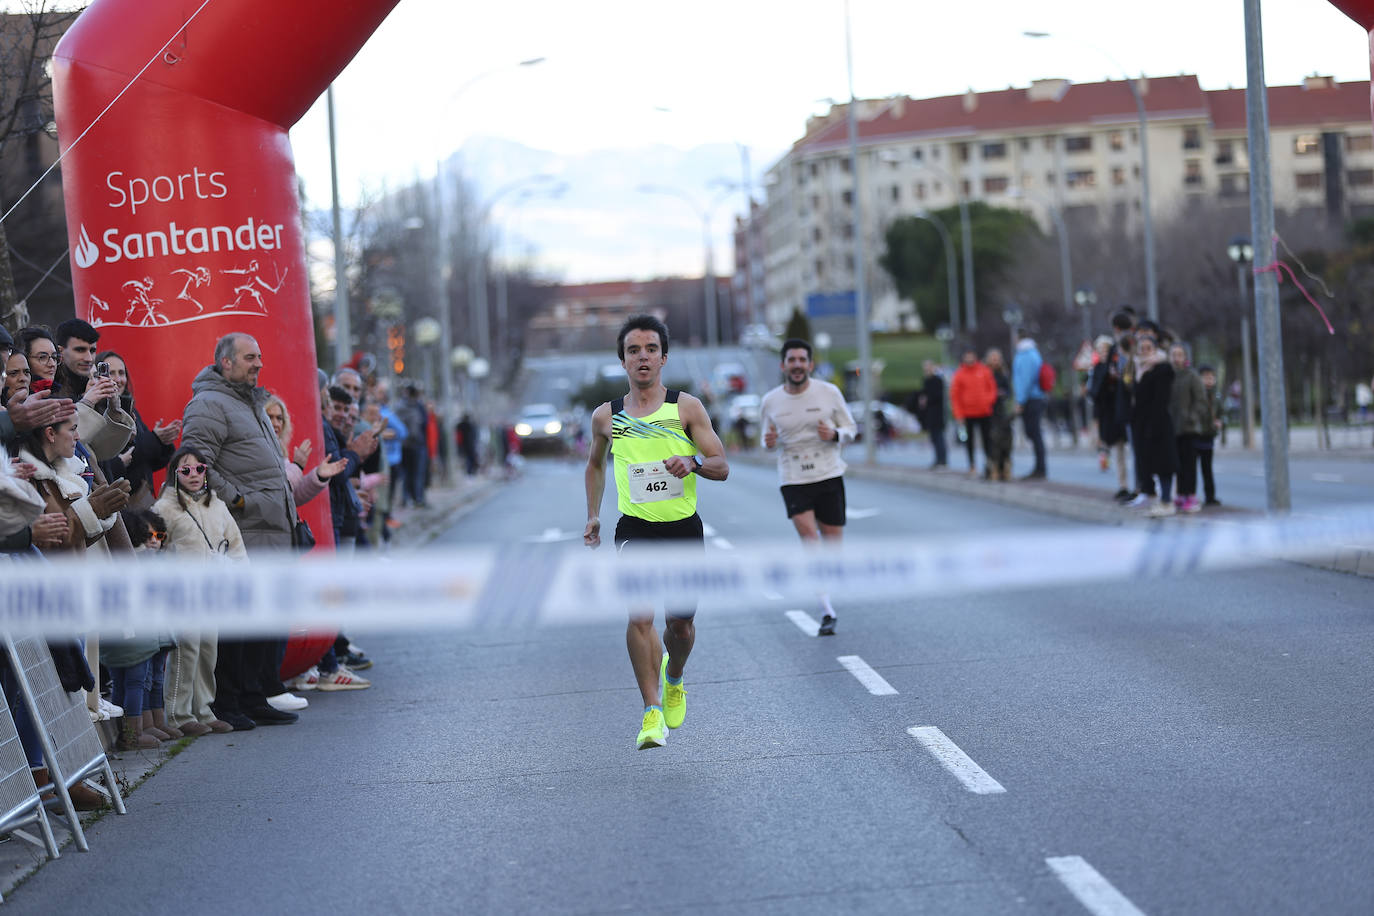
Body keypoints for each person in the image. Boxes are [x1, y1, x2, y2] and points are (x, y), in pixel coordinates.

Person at [583, 315, 728, 751]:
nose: (642, 357)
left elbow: (722, 464)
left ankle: (674, 676)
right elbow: (594, 464)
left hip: (683, 528)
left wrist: (695, 463)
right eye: (633, 350)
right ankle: (650, 713)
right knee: (639, 615)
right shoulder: (607, 416)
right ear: (623, 361)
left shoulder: (686, 409)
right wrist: (593, 514)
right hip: (634, 529)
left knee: (680, 626)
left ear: (663, 357)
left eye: (650, 349)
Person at [179, 333, 299, 730]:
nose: (258, 364)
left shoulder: (251, 403)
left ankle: (252, 696)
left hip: (270, 529)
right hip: (242, 530)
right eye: (250, 357)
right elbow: (194, 462)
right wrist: (239, 501)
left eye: (260, 356)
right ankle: (225, 702)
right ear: (226, 362)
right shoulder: (209, 403)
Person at [759, 338, 857, 636]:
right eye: (792, 360)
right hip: (794, 478)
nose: (798, 365)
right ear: (783, 365)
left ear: (810, 365)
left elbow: (852, 429)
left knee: (832, 547)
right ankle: (827, 609)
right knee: (810, 542)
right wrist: (769, 442)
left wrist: (835, 433)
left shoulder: (829, 393)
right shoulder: (770, 401)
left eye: (803, 360)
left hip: (828, 473)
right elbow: (765, 440)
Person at [155, 446, 245, 735]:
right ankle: (178, 714)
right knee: (186, 649)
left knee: (208, 649)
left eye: (199, 468)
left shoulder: (217, 505)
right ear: (175, 474)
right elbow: (153, 544)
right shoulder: (164, 508)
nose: (193, 474)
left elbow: (235, 544)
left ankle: (204, 709)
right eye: (185, 470)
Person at [94, 350, 180, 510]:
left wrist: (164, 442)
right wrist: (154, 439)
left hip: (142, 501)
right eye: (111, 373)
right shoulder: (95, 412)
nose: (119, 379)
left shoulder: (130, 408)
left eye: (122, 373)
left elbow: (147, 461)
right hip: (120, 506)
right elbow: (116, 458)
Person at [1130, 332, 1178, 517]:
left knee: (1164, 464)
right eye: (1141, 349)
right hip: (1142, 423)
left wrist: (1153, 425)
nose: (1145, 352)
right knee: (1148, 464)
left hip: (1158, 423)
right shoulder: (1139, 369)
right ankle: (1157, 499)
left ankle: (1167, 501)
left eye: (1148, 348)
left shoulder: (1163, 369)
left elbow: (1160, 399)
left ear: (1155, 349)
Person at [1088, 334, 1130, 498]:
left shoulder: (1117, 366)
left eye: (1105, 349)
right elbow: (1094, 393)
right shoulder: (1097, 369)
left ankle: (1124, 485)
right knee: (1106, 450)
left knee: (1120, 451)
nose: (1102, 352)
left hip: (1117, 414)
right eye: (1100, 350)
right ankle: (1121, 483)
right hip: (1104, 415)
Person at [1168, 343, 1208, 513]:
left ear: (1185, 357)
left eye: (1179, 354)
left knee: (1189, 463)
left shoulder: (1192, 376)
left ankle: (1190, 495)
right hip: (1172, 427)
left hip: (1189, 428)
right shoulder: (1168, 375)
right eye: (1173, 354)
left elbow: (1201, 400)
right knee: (1176, 464)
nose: (1176, 358)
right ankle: (1180, 493)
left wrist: (1192, 417)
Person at [948, 348, 996, 477]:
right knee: (968, 440)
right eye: (967, 356)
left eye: (971, 356)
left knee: (987, 440)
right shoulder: (959, 374)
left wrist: (987, 401)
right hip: (967, 414)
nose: (969, 359)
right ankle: (972, 465)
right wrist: (958, 415)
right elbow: (955, 396)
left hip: (984, 412)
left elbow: (992, 389)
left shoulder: (984, 371)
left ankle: (989, 464)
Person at [1011, 329, 1048, 479]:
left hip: (1030, 399)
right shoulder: (1033, 353)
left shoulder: (1025, 355)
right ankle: (1040, 467)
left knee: (1033, 433)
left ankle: (1040, 468)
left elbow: (1025, 380)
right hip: (1035, 397)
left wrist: (1020, 401)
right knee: (1034, 433)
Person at [984, 348, 1015, 481]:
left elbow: (1009, 391)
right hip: (988, 410)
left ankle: (1004, 469)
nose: (995, 361)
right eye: (993, 358)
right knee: (992, 441)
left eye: (997, 358)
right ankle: (992, 469)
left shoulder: (1003, 374)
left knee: (1005, 441)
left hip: (1001, 411)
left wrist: (1003, 394)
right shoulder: (984, 373)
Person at [911, 360, 947, 468]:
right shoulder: (926, 380)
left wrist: (927, 399)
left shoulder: (937, 380)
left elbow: (937, 396)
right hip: (930, 414)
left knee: (939, 437)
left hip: (937, 413)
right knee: (934, 437)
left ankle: (942, 459)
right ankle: (938, 459)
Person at [1195, 365, 1222, 507]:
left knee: (1207, 469)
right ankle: (1189, 495)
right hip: (1196, 435)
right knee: (1191, 468)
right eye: (1205, 377)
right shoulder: (1197, 394)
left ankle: (1210, 497)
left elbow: (1221, 412)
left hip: (1208, 436)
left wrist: (1219, 421)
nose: (1208, 381)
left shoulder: (1216, 395)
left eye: (1211, 377)